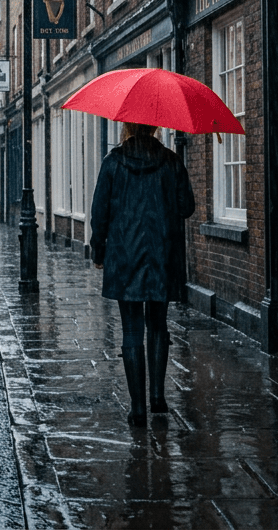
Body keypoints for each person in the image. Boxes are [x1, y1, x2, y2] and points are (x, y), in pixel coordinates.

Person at [90, 122, 195, 426]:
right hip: (162, 254)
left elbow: (100, 214)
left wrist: (99, 252)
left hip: (125, 257)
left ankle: (137, 409)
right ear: (153, 128)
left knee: (132, 329)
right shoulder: (172, 161)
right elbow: (186, 207)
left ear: (126, 127)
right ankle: (158, 398)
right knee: (159, 324)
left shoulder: (112, 164)